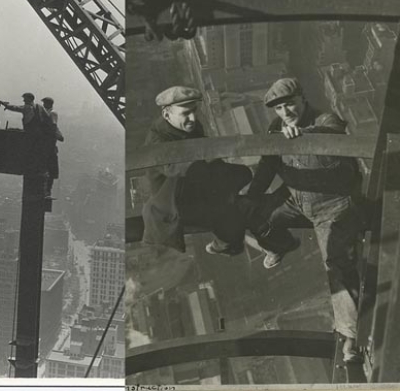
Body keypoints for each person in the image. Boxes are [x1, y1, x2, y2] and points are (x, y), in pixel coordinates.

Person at [248, 78, 363, 362]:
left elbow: (332, 130)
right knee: (250, 216)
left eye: (289, 104)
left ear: (302, 99)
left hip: (331, 204)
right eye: (278, 108)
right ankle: (280, 245)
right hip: (295, 199)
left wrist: (304, 133)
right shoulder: (277, 130)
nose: (286, 112)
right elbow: (267, 167)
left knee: (335, 264)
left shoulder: (325, 118)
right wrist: (250, 198)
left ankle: (350, 338)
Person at [142, 85, 299, 262]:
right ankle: (235, 243)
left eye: (194, 111)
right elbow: (186, 169)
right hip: (176, 202)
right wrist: (223, 185)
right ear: (166, 115)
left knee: (243, 176)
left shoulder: (188, 126)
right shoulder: (158, 143)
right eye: (186, 113)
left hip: (196, 185)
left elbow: (207, 156)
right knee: (239, 207)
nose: (193, 118)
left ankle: (248, 242)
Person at [0, 93, 55, 183]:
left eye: (25, 99)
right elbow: (47, 118)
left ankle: (33, 168)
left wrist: (6, 105)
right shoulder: (39, 107)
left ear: (29, 99)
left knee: (29, 152)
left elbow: (16, 108)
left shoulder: (27, 108)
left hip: (30, 135)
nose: (24, 101)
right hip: (39, 135)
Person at [41, 97, 64, 197]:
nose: (43, 105)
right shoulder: (47, 113)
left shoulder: (52, 113)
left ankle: (47, 190)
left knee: (49, 169)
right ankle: (46, 190)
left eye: (45, 103)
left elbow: (53, 127)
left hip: (49, 147)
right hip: (49, 146)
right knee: (49, 170)